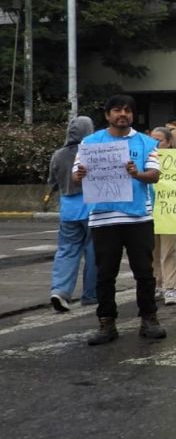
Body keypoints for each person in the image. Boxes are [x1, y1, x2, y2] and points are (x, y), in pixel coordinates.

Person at [74, 94, 166, 345]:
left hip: (138, 217)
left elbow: (155, 175)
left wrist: (137, 174)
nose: (122, 114)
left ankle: (149, 319)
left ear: (132, 115)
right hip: (103, 218)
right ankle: (106, 323)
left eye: (127, 110)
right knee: (105, 274)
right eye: (117, 110)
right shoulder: (90, 143)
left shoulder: (147, 143)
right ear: (107, 115)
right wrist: (79, 175)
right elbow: (75, 177)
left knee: (144, 272)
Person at [47, 115, 97, 312]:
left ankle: (60, 291)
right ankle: (91, 294)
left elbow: (52, 181)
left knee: (67, 251)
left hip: (68, 209)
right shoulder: (93, 152)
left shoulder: (58, 155)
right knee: (94, 252)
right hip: (92, 208)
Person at [150, 126, 176, 306]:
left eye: (159, 140)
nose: (155, 144)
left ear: (169, 142)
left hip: (171, 212)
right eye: (152, 140)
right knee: (153, 252)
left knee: (169, 251)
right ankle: (157, 284)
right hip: (150, 212)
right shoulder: (146, 159)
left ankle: (170, 287)